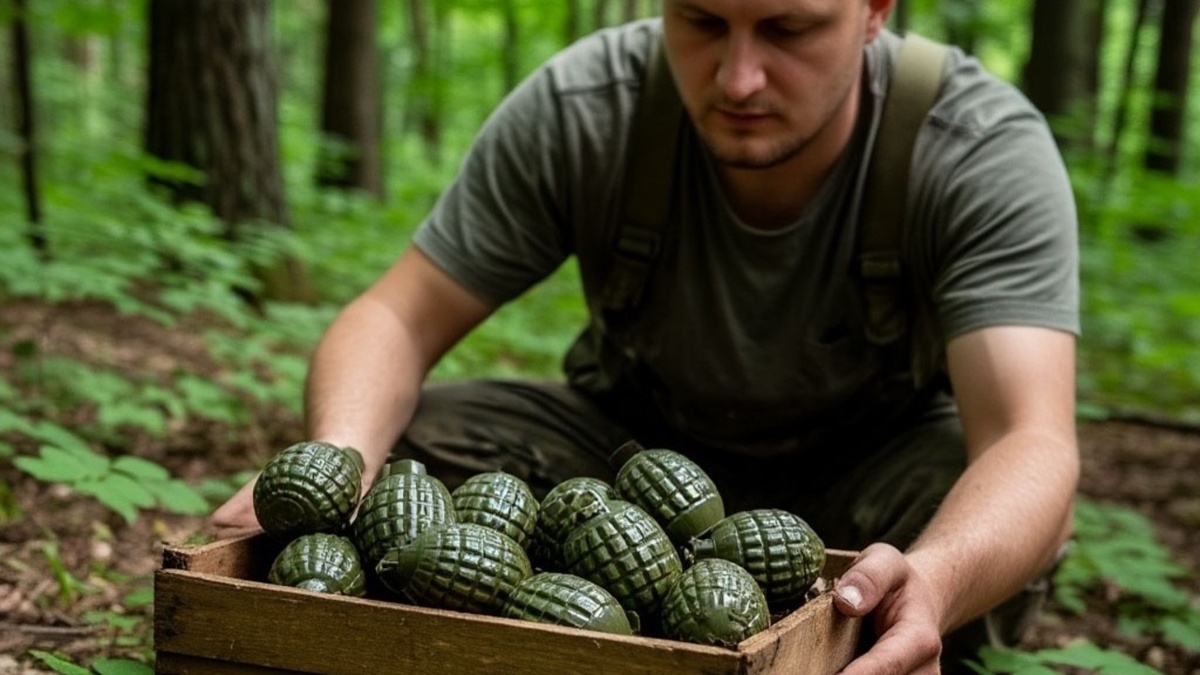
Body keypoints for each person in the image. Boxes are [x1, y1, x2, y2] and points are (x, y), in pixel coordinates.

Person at [212, 0, 1080, 672]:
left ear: (875, 11)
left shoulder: (973, 147)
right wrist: (340, 457)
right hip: (627, 465)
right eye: (701, 21)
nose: (739, 78)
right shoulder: (590, 107)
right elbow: (396, 315)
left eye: (788, 29)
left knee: (971, 504)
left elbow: (1030, 437)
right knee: (415, 438)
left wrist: (936, 577)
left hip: (867, 485)